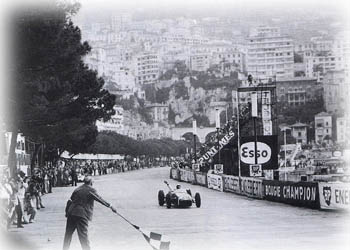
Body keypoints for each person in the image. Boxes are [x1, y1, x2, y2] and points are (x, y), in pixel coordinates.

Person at [63, 176, 117, 250]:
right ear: (91, 182)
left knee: (68, 235)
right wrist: (110, 206)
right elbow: (100, 199)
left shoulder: (77, 189)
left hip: (71, 213)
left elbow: (70, 200)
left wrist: (67, 212)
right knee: (83, 236)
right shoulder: (91, 190)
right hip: (81, 214)